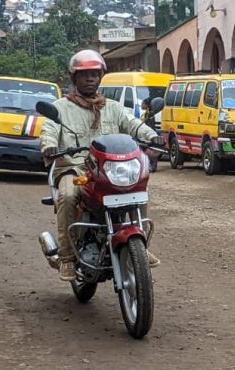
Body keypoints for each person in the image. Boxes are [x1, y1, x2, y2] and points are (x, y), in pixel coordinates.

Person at [40, 50, 163, 282]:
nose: (90, 79)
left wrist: (152, 136)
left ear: (100, 77)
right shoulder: (61, 107)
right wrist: (48, 146)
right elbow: (49, 130)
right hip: (75, 169)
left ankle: (140, 246)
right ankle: (66, 257)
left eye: (95, 74)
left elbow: (133, 124)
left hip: (108, 169)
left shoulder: (113, 107)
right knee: (67, 195)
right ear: (74, 78)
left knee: (139, 191)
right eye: (84, 74)